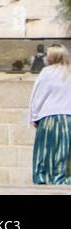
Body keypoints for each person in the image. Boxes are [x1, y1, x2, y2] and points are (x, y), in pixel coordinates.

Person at [29, 43, 71, 185]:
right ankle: (64, 180)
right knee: (65, 153)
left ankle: (44, 180)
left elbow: (37, 96)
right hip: (68, 119)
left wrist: (34, 117)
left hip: (50, 119)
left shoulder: (47, 72)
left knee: (46, 152)